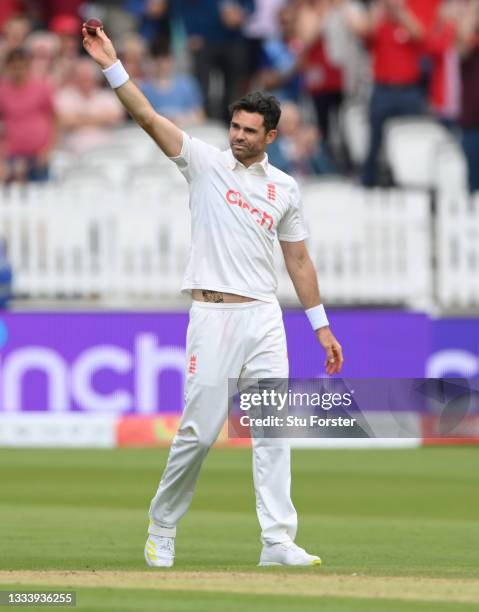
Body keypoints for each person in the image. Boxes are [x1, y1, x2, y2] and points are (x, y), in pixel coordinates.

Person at [82, 22, 344, 568]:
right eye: (235, 125)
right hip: (214, 313)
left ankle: (277, 541)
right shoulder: (204, 163)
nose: (239, 135)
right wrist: (112, 65)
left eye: (250, 130)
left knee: (273, 432)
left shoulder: (284, 189)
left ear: (271, 135)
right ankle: (163, 523)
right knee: (199, 434)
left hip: (265, 318)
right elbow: (148, 117)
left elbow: (297, 259)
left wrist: (321, 325)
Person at [0, 48, 57, 183]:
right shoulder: (2, 91)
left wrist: (48, 149)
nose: (18, 71)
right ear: (8, 68)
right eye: (14, 67)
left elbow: (55, 119)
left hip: (39, 156)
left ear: (27, 66)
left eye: (21, 67)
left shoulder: (42, 87)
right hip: (12, 156)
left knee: (42, 199)